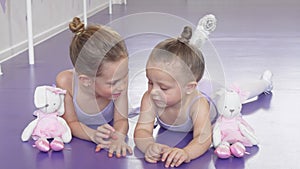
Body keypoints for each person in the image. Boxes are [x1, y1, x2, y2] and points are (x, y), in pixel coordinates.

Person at [134, 26, 273, 168]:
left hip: (214, 95)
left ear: (189, 87)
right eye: (150, 82)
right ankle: (193, 46)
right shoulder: (150, 99)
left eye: (163, 88)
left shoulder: (198, 104)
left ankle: (265, 83)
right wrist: (149, 146)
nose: (153, 91)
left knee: (237, 93)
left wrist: (187, 153)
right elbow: (142, 130)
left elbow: (203, 137)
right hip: (189, 87)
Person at [56, 17, 132, 158]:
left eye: (125, 76)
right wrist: (93, 135)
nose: (122, 86)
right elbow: (71, 122)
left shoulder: (118, 83)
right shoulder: (66, 82)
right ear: (86, 81)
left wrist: (119, 137)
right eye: (113, 83)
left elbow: (121, 120)